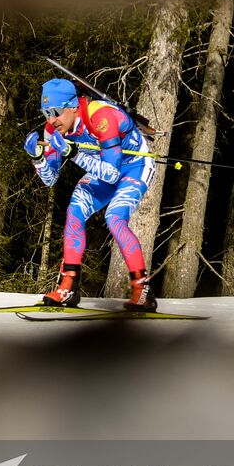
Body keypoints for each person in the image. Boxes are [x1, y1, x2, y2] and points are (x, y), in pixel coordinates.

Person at [23, 77, 157, 311]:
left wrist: (75, 155)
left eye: (55, 111)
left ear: (73, 106)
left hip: (134, 165)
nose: (51, 120)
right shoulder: (53, 128)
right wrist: (37, 158)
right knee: (75, 209)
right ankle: (68, 287)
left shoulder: (101, 116)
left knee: (114, 218)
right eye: (45, 113)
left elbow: (112, 174)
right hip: (101, 167)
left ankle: (142, 290)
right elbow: (50, 179)